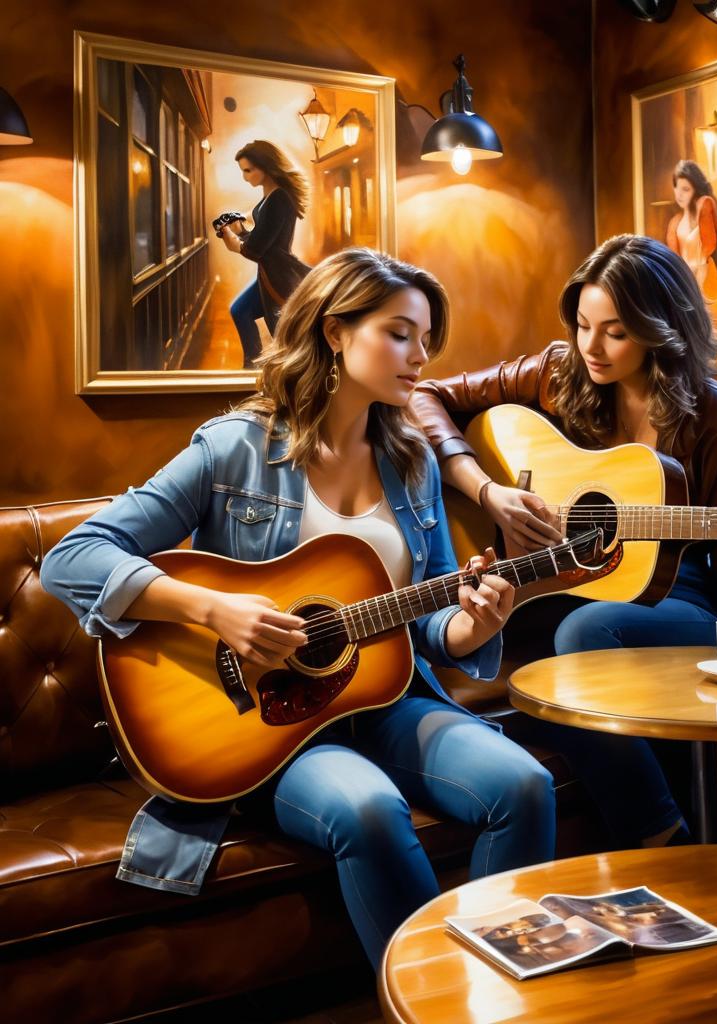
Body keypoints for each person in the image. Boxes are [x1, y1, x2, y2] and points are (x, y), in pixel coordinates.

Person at [41, 248, 555, 968]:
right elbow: (74, 557)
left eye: (427, 338)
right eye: (400, 333)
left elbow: (431, 620)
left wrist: (477, 620)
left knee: (525, 784)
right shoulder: (233, 450)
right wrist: (216, 611)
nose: (421, 355)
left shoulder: (413, 461)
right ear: (335, 332)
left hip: (387, 699)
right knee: (369, 808)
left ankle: (502, 989)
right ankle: (432, 1003)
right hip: (264, 726)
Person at [411, 234, 717, 846]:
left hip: (683, 600)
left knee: (578, 641)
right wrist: (486, 491)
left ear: (662, 328)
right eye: (582, 325)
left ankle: (658, 837)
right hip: (572, 589)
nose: (590, 347)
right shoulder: (554, 372)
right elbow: (426, 394)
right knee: (543, 674)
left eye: (615, 332)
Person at [219, 140, 312, 367]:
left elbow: (255, 249)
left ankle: (255, 369)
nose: (245, 177)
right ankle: (251, 367)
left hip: (279, 276)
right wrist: (239, 228)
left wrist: (232, 238)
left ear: (266, 167)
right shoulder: (269, 197)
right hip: (270, 272)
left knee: (285, 341)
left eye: (248, 170)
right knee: (240, 310)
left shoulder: (278, 199)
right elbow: (260, 236)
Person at [666, 160, 717, 328]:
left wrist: (693, 277)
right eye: (677, 187)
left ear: (695, 189)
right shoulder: (675, 221)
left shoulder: (704, 204)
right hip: (685, 282)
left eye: (686, 189)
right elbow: (674, 258)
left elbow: (709, 246)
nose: (679, 194)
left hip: (704, 278)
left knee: (708, 331)